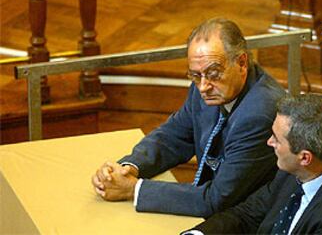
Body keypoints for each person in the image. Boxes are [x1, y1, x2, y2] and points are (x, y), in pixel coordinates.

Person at [91, 17, 286, 217]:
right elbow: (174, 136)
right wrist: (129, 168)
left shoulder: (260, 113)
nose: (203, 87)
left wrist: (134, 189)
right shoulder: (206, 82)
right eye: (195, 75)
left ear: (242, 63)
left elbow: (217, 199)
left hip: (247, 220)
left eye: (214, 73)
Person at [186, 94, 322, 234]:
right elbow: (246, 214)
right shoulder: (296, 172)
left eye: (276, 138)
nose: (269, 142)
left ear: (304, 157)